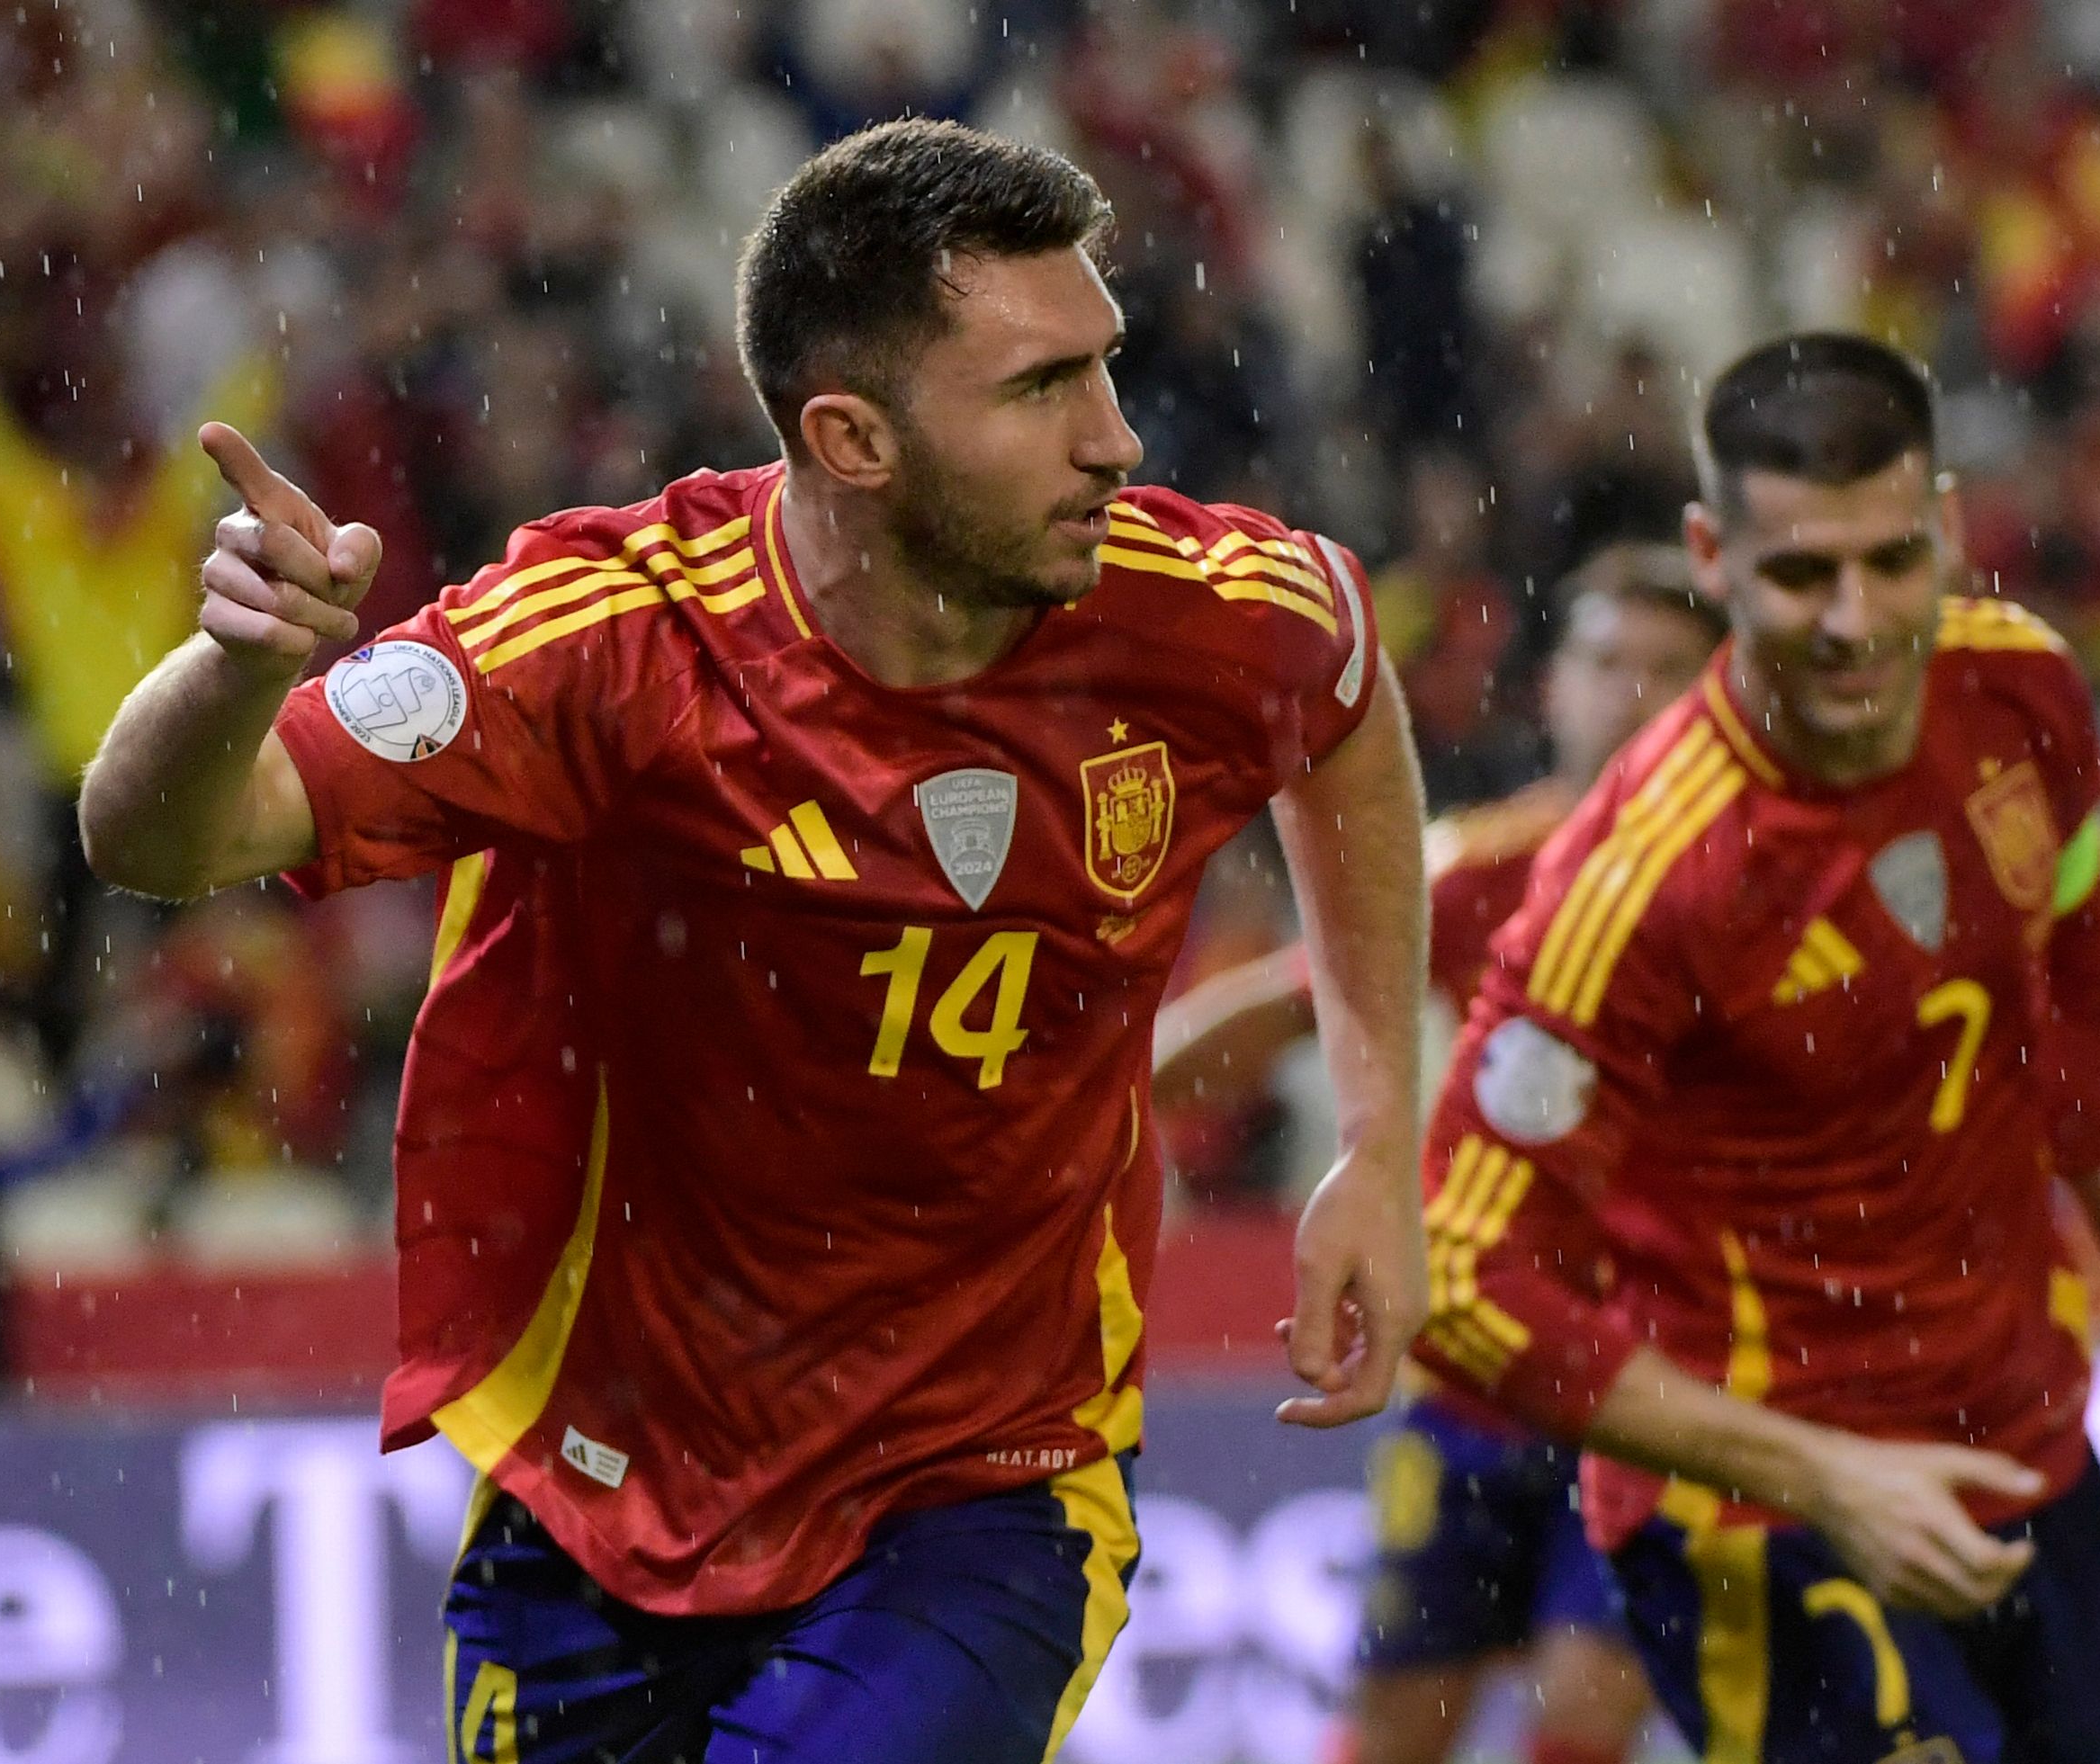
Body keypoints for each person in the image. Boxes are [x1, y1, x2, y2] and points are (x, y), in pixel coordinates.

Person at [76, 120, 1431, 1764]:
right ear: (851, 438)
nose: (1116, 439)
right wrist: (234, 669)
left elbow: (1351, 702)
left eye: (1105, 366)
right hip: (598, 1485)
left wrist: (1376, 1135)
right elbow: (160, 838)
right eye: (1039, 390)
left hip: (985, 1478)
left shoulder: (1204, 610)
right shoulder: (614, 644)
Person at [1408, 332, 2100, 1762]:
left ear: (1944, 528)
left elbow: (2084, 1000)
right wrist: (1826, 1474)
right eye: (1803, 573)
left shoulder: (2022, 696)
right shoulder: (1638, 878)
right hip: (1762, 1524)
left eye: (1891, 560)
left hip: (2026, 1458)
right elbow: (1455, 1273)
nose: (1856, 619)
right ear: (1713, 553)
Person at [1159, 542, 1723, 1764]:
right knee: (1397, 1727)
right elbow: (1285, 1006)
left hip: (1650, 1380)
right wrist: (1090, 1089)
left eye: (1669, 666)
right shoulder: (1484, 870)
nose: (1633, 691)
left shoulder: (1757, 886)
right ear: (1553, 689)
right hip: (1474, 1370)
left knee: (1586, 1706)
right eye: (1607, 661)